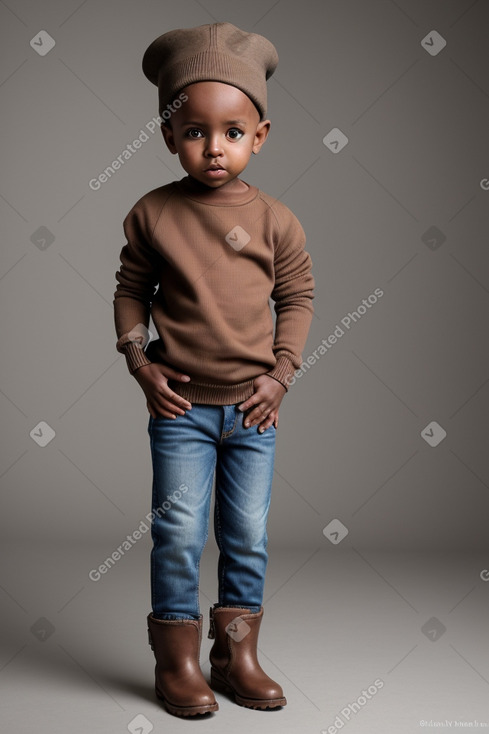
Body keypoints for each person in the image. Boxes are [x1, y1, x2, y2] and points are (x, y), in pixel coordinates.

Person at [113, 21, 314, 718]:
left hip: (253, 410)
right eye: (194, 131)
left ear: (259, 135)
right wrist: (139, 363)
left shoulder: (276, 221)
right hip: (182, 411)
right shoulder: (153, 213)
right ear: (169, 136)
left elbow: (297, 298)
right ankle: (178, 665)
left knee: (247, 535)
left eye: (232, 131)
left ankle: (236, 655)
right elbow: (129, 291)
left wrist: (281, 373)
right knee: (177, 532)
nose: (214, 147)